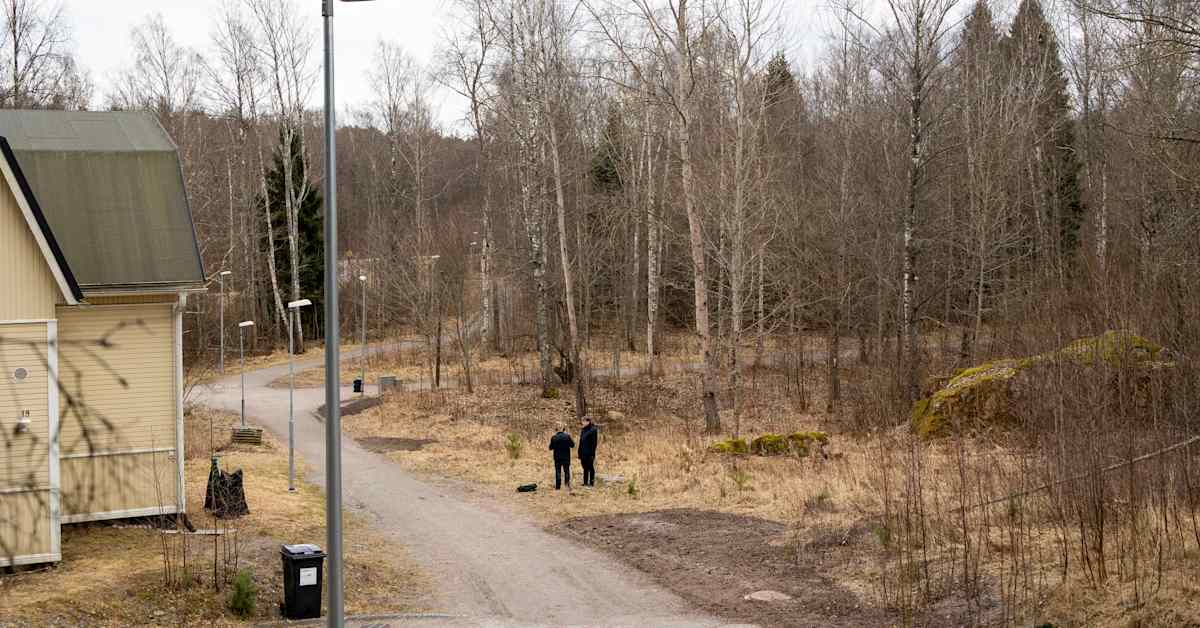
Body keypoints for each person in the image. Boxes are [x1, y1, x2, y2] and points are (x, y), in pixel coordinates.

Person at [548, 426, 575, 490]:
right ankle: (567, 485)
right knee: (566, 471)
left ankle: (558, 487)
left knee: (558, 471)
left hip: (557, 458)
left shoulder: (554, 437)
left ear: (556, 430)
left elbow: (550, 448)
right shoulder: (567, 436)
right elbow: (572, 445)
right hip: (566, 457)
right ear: (564, 430)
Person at [578, 416, 598, 487]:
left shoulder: (593, 430)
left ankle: (591, 483)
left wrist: (592, 454)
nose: (582, 422)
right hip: (583, 452)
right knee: (585, 467)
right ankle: (585, 482)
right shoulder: (583, 430)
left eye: (583, 421)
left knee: (590, 467)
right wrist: (579, 452)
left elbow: (594, 443)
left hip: (589, 453)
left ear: (588, 421)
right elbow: (581, 442)